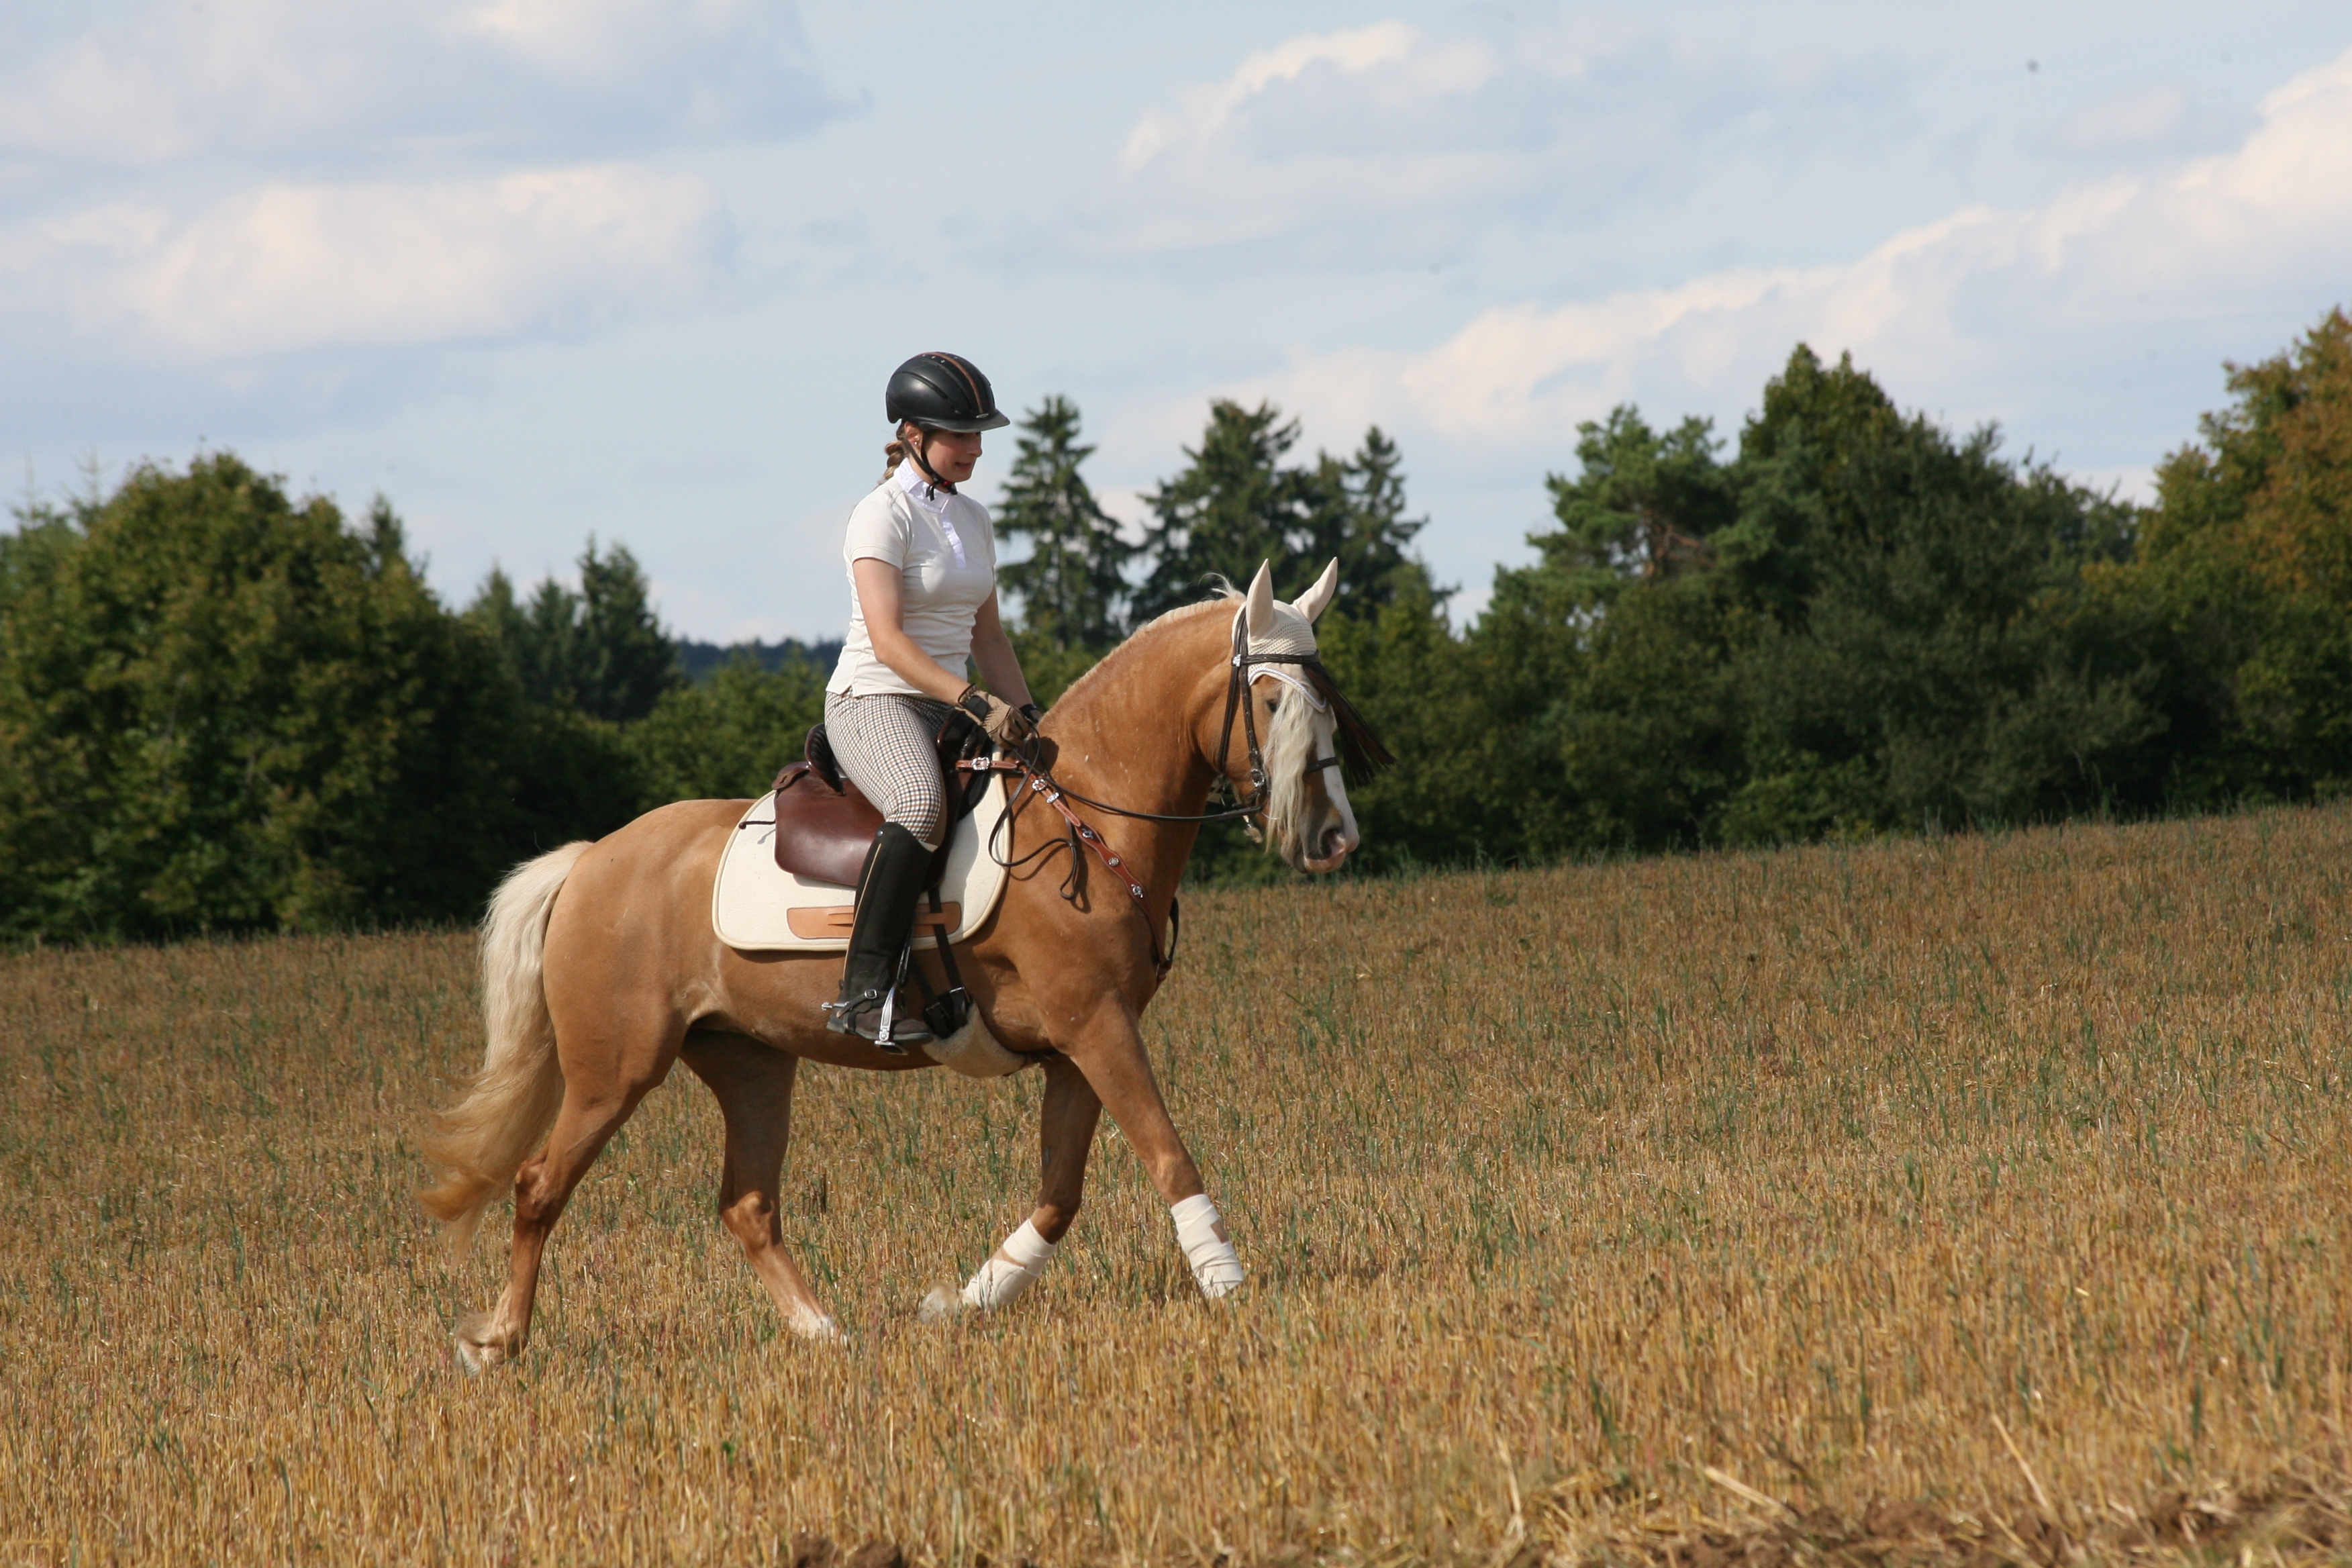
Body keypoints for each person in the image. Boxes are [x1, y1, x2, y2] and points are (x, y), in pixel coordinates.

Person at [820, 352, 1040, 1040]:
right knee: (919, 803)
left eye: (980, 435)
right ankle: (862, 992)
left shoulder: (974, 518)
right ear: (914, 432)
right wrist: (976, 703)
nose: (975, 448)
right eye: (960, 435)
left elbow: (992, 637)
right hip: (873, 698)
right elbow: (888, 643)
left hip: (950, 701)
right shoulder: (879, 516)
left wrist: (1031, 718)